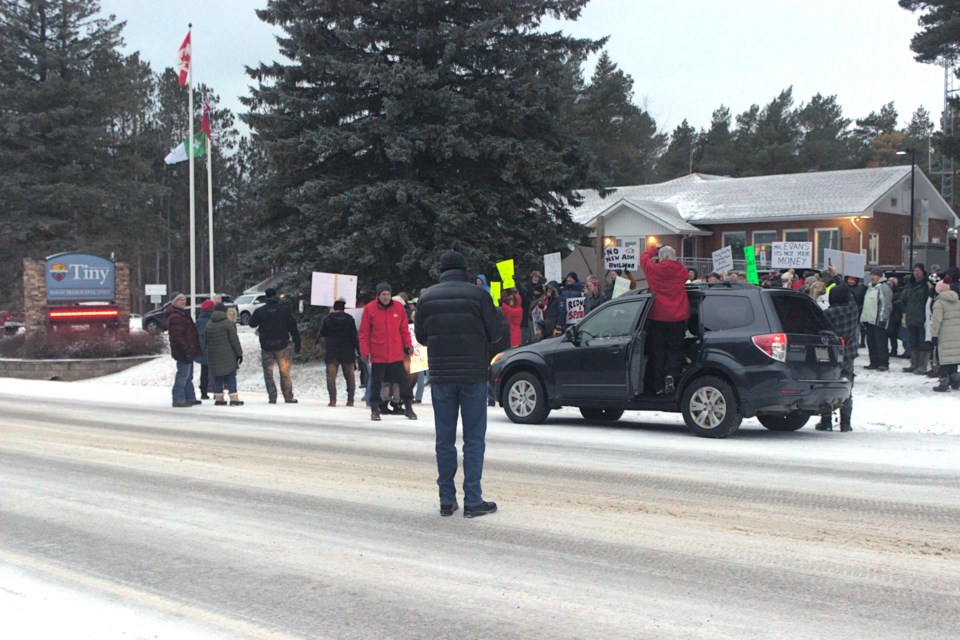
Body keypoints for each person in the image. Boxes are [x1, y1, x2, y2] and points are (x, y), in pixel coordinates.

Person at [415, 250, 501, 518]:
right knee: (474, 439)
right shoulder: (479, 295)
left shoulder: (427, 297)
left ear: (440, 270)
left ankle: (446, 499)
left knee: (445, 439)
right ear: (464, 269)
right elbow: (496, 334)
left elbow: (421, 337)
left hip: (441, 376)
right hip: (473, 375)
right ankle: (473, 500)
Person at [359, 282, 416, 421]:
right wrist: (364, 352)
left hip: (396, 353)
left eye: (388, 294)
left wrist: (408, 345)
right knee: (376, 382)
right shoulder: (369, 309)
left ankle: (408, 407)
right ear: (378, 296)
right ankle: (374, 408)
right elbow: (364, 332)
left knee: (404, 382)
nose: (386, 297)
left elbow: (404, 329)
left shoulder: (398, 308)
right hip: (379, 353)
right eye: (383, 294)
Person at [640, 244, 690, 394]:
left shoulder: (653, 270)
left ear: (660, 257)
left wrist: (653, 249)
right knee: (674, 350)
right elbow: (686, 277)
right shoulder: (681, 270)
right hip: (677, 317)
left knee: (658, 352)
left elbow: (643, 258)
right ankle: (671, 376)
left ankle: (659, 385)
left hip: (657, 316)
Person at [819, 267, 858, 431]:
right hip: (848, 354)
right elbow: (848, 292)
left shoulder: (827, 314)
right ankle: (845, 423)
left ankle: (826, 421)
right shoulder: (852, 310)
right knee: (847, 387)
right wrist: (836, 276)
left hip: (830, 355)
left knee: (827, 386)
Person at [248, 287, 301, 404]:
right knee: (285, 372)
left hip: (266, 345)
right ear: (276, 296)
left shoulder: (261, 311)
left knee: (268, 372)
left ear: (266, 297)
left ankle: (272, 397)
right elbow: (293, 327)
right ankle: (288, 396)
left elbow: (252, 323)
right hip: (282, 344)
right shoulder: (284, 310)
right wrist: (297, 342)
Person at [319, 298, 359, 407]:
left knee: (331, 377)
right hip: (347, 351)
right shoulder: (350, 319)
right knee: (350, 377)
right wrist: (358, 350)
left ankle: (333, 400)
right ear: (344, 308)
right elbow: (354, 337)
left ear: (334, 308)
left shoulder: (326, 319)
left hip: (332, 351)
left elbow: (321, 334)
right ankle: (350, 400)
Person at [165, 292, 202, 407]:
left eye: (184, 299)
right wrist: (186, 348)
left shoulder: (181, 314)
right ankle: (178, 398)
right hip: (183, 351)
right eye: (181, 299)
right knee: (182, 374)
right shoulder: (176, 316)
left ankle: (189, 397)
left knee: (188, 375)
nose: (184, 301)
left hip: (188, 349)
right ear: (175, 302)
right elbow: (178, 336)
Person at [204, 302, 244, 406]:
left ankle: (219, 398)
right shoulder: (228, 323)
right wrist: (239, 354)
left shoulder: (209, 324)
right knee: (231, 375)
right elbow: (234, 340)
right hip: (228, 354)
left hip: (213, 355)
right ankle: (234, 398)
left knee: (218, 376)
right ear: (225, 311)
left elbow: (206, 341)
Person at [931, 276, 960, 392]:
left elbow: (937, 320)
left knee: (943, 358)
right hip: (956, 333)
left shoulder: (939, 303)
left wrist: (934, 335)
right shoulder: (957, 301)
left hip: (944, 333)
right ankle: (956, 380)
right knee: (953, 357)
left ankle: (944, 382)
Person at [860, 268, 892, 372]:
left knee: (881, 343)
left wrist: (883, 319)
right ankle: (873, 362)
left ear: (879, 276)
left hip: (878, 320)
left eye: (874, 275)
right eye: (871, 275)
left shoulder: (883, 287)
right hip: (870, 320)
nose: (872, 277)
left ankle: (883, 363)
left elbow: (886, 304)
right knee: (871, 342)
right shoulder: (870, 287)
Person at [902, 264, 929, 373]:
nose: (916, 273)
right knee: (913, 341)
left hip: (922, 318)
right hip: (911, 317)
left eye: (918, 270)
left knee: (923, 342)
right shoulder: (910, 284)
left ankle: (923, 366)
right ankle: (914, 364)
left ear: (923, 272)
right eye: (914, 271)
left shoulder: (926, 284)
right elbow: (903, 298)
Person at [194, 299, 216, 399]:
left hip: (202, 348)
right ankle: (217, 392)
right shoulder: (214, 319)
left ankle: (203, 392)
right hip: (214, 347)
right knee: (216, 371)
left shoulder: (199, 320)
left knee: (204, 370)